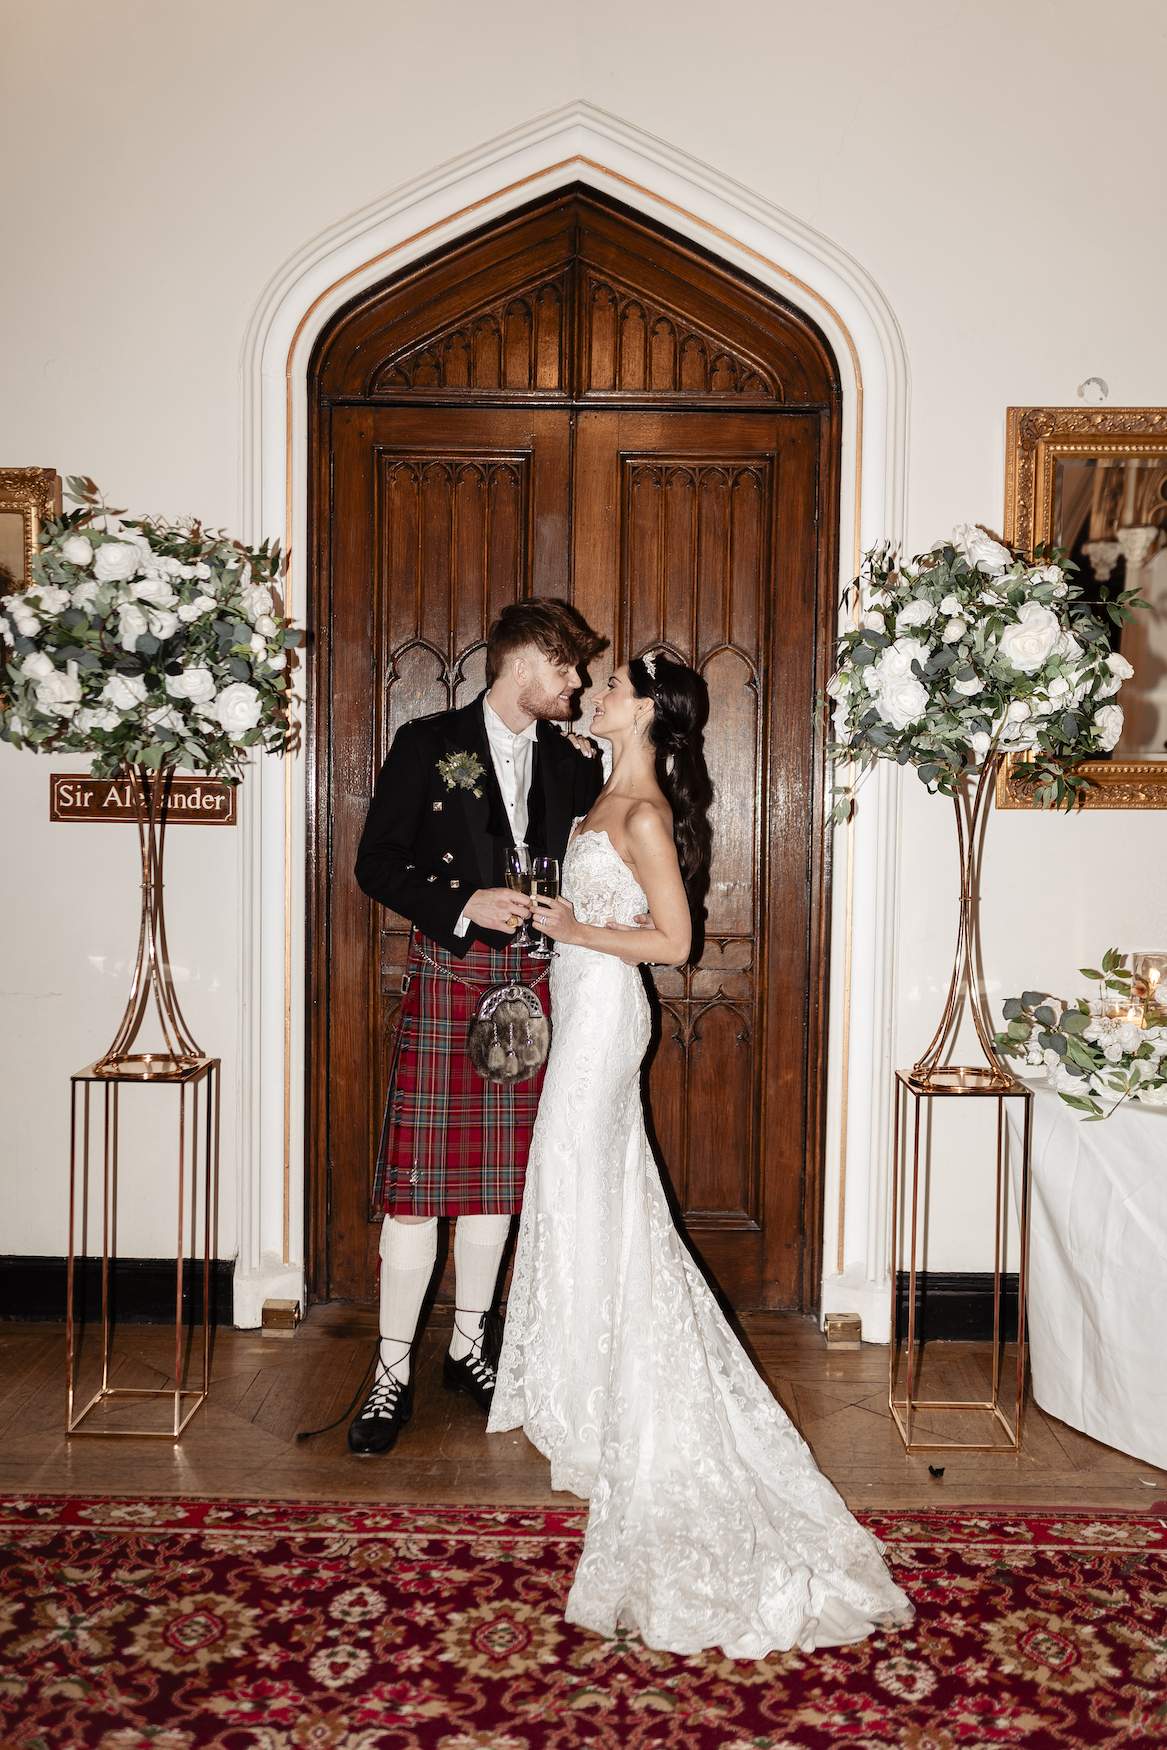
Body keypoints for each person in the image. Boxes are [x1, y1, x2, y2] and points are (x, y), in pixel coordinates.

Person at [488, 650, 914, 1657]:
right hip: (580, 1006)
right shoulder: (604, 789)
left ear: (645, 710)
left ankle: (624, 1393)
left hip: (603, 1022)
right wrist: (563, 925)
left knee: (594, 1188)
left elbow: (674, 945)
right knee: (582, 1193)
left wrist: (577, 926)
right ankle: (592, 1388)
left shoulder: (639, 814)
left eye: (607, 686)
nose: (590, 694)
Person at [348, 600, 606, 1456]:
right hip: (451, 977)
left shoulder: (573, 767)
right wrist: (461, 902)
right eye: (566, 666)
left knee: (499, 1185)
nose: (576, 682)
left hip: (532, 987)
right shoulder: (428, 743)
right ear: (524, 661)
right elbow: (375, 863)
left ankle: (467, 1347)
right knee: (420, 1189)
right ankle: (390, 1374)